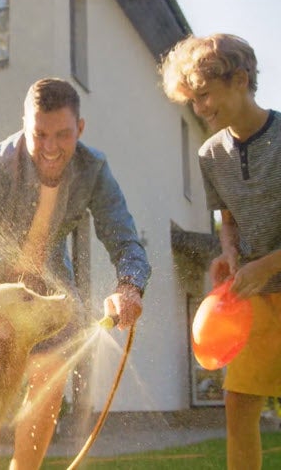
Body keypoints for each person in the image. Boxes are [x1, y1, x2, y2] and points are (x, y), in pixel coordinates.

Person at [0, 77, 151, 469]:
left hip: (53, 288)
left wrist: (129, 285)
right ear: (24, 124)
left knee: (51, 377)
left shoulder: (94, 169)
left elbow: (125, 239)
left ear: (80, 129)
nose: (51, 148)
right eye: (39, 134)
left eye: (63, 134)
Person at [160, 33, 281, 470]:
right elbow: (227, 219)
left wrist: (266, 265)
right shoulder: (211, 154)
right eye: (193, 100)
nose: (200, 108)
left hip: (272, 277)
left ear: (241, 80)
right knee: (238, 402)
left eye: (206, 95)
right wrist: (230, 254)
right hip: (254, 297)